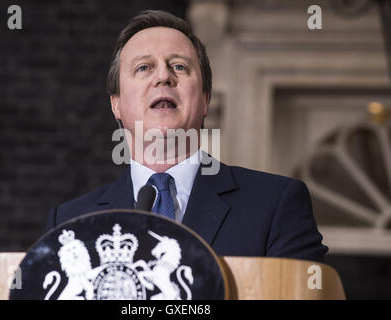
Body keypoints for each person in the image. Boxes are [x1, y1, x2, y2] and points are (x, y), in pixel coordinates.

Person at [45, 10, 328, 263]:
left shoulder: (276, 205)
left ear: (205, 100)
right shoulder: (70, 222)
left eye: (179, 66)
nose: (164, 77)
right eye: (144, 67)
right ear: (116, 103)